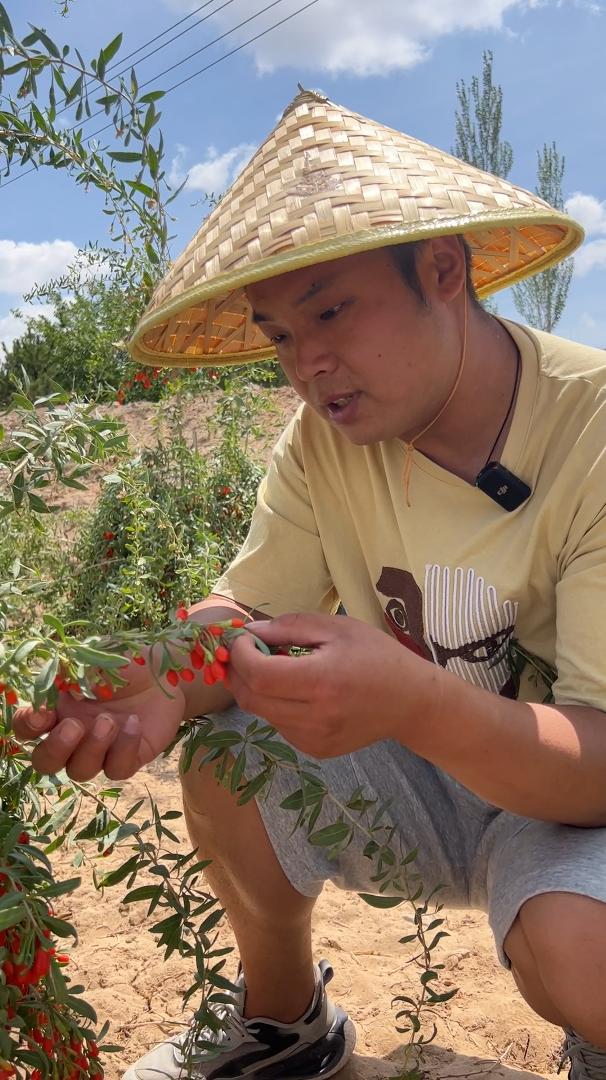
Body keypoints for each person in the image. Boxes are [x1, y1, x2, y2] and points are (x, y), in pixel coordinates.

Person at [14, 89, 606, 1080]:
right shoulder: (327, 443)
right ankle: (284, 1026)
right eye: (281, 335)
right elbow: (242, 612)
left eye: (330, 311)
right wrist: (170, 672)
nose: (308, 365)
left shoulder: (590, 427)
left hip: (577, 799)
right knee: (230, 753)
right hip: (437, 774)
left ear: (444, 270)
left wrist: (414, 702)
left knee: (581, 952)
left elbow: (597, 761)